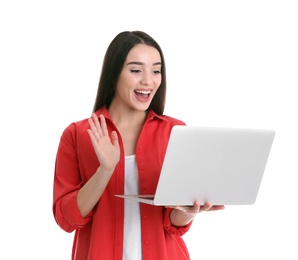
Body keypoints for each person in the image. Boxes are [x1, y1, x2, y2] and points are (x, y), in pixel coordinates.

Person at [53, 30, 225, 260]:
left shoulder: (175, 132)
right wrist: (104, 170)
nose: (148, 81)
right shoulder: (77, 134)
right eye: (136, 70)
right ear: (114, 74)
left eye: (156, 71)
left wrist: (188, 212)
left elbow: (172, 222)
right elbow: (67, 219)